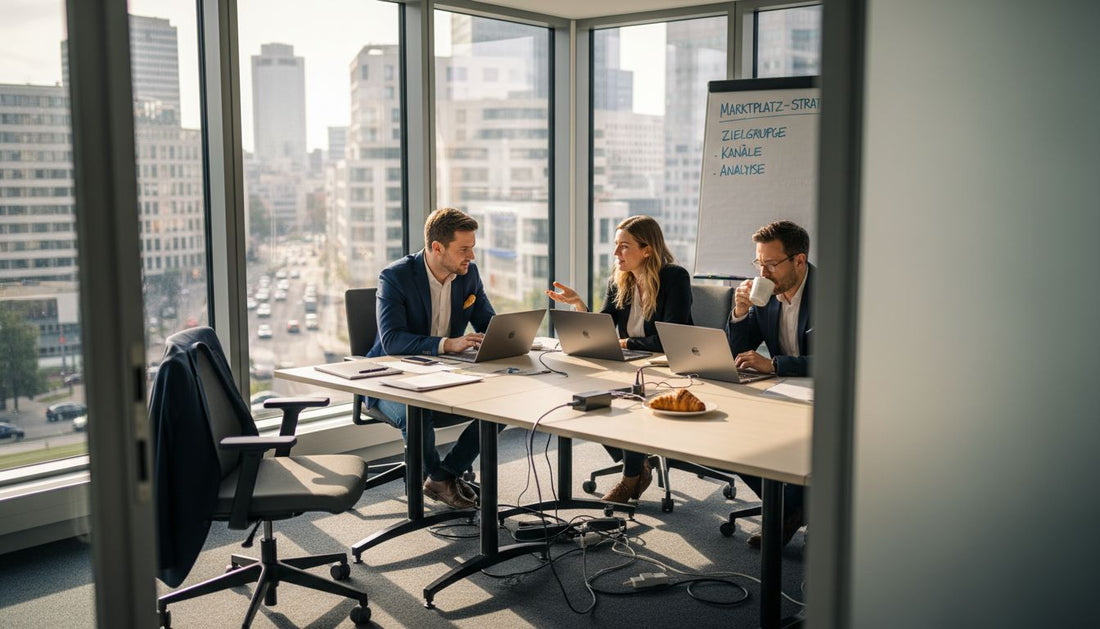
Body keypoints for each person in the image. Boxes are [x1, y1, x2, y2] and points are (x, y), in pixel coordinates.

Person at [546, 215, 693, 503]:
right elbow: (602, 328)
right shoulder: (620, 280)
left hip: (668, 367)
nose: (616, 253)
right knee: (589, 400)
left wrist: (625, 342)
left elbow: (669, 338)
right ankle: (640, 466)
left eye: (624, 247)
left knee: (623, 400)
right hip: (632, 365)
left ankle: (631, 477)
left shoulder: (675, 278)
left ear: (647, 249)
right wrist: (578, 305)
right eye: (616, 246)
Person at [365, 207, 493, 509]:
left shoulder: (467, 274)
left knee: (500, 405)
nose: (471, 257)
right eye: (464, 249)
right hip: (388, 379)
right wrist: (448, 344)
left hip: (444, 374)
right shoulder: (395, 277)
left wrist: (499, 338)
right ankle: (438, 476)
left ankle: (444, 474)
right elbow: (393, 340)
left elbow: (487, 321)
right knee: (416, 410)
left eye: (472, 248)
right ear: (437, 248)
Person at [726, 219, 813, 547]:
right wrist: (739, 310)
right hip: (783, 390)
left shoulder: (834, 292)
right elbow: (735, 349)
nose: (763, 273)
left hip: (828, 394)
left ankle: (790, 511)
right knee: (734, 435)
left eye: (771, 264)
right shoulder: (768, 294)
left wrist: (775, 363)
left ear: (799, 261)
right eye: (758, 263)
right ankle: (794, 506)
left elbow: (843, 361)